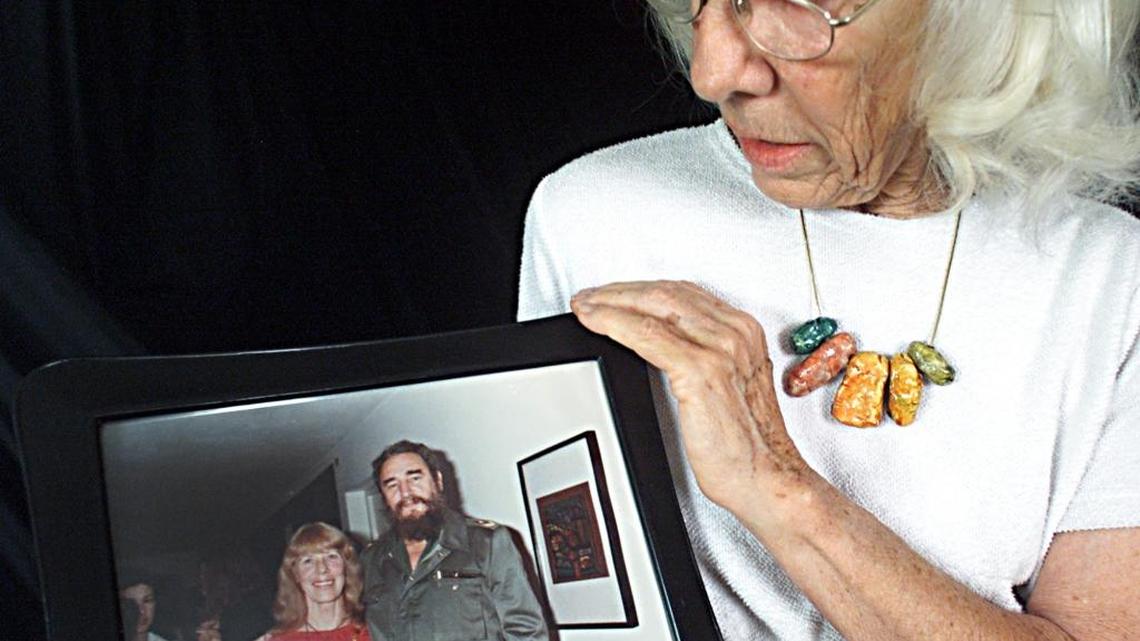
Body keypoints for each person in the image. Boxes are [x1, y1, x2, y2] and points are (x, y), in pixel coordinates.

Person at [517, 1, 1140, 640]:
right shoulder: (596, 216)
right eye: (700, 5)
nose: (714, 73)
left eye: (789, 6)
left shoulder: (1112, 275)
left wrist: (773, 484)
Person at [361, 440, 549, 641]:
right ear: (384, 497)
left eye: (415, 478)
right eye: (392, 485)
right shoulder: (371, 558)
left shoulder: (486, 542)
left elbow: (526, 632)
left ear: (438, 481)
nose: (405, 492)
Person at [255, 522, 371, 641]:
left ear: (347, 567)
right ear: (295, 574)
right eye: (308, 560)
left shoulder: (375, 633)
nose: (322, 569)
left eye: (331, 556)